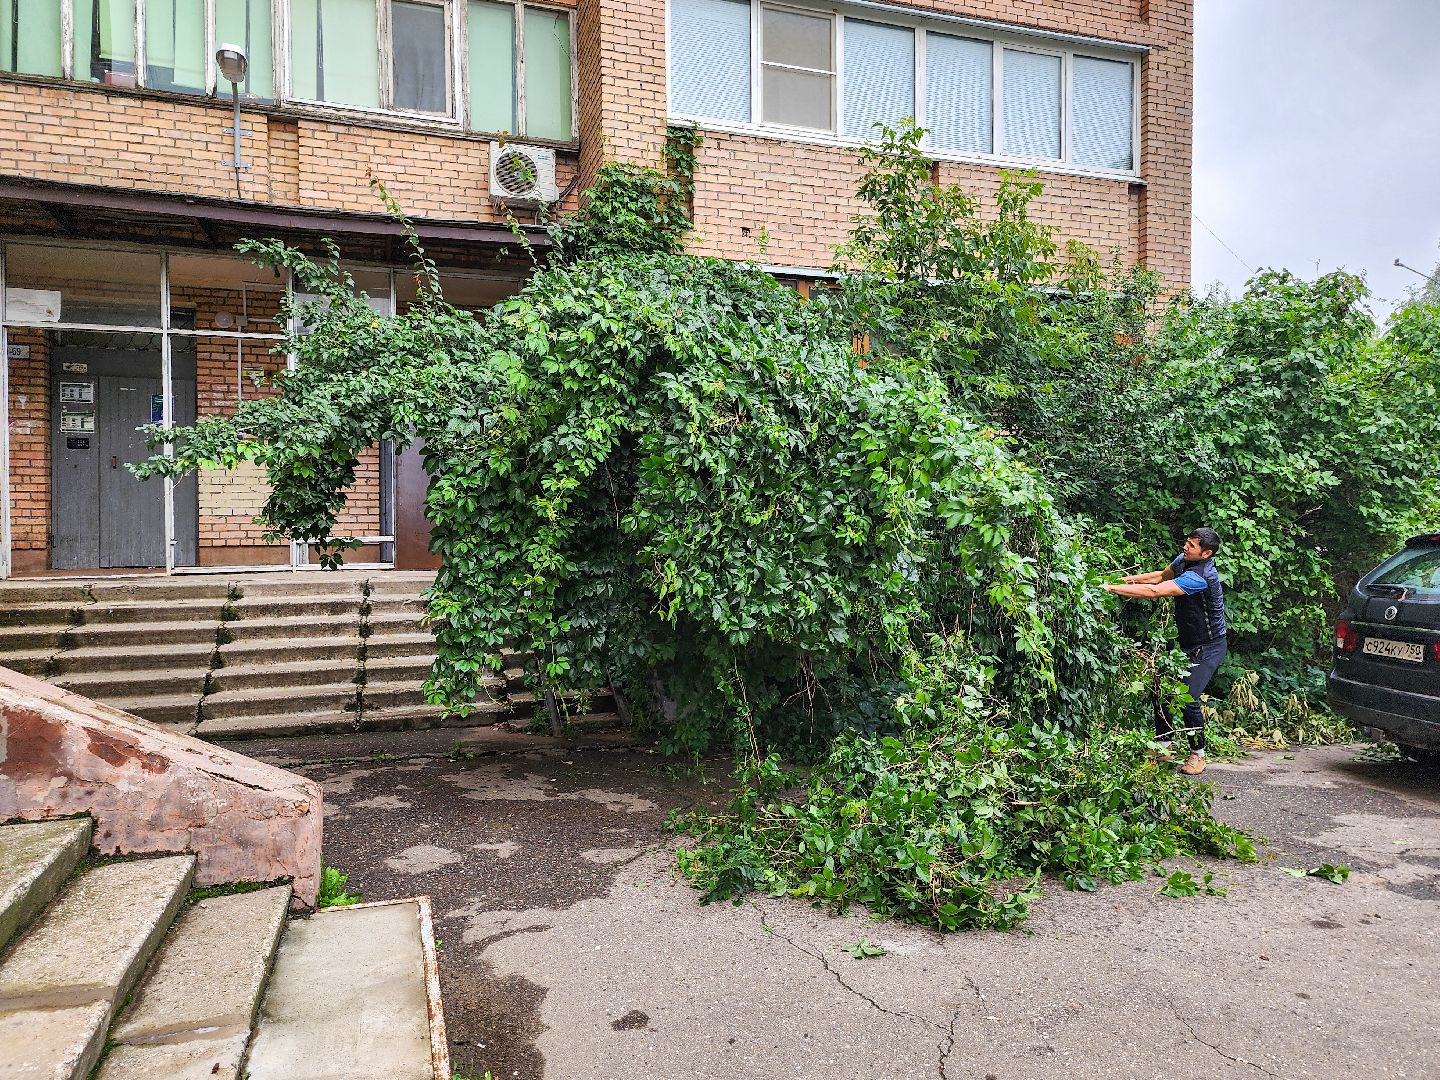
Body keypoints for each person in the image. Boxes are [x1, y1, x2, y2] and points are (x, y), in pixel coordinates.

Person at [1103, 527, 1227, 776]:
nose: (1185, 547)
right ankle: (1163, 746)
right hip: (1187, 644)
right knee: (1159, 690)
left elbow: (1155, 592)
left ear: (1206, 554)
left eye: (1191, 546)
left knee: (1188, 697)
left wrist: (1110, 589)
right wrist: (1122, 581)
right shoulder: (1183, 561)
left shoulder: (1202, 576)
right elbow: (1159, 577)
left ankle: (1198, 754)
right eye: (1187, 542)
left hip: (1210, 647)